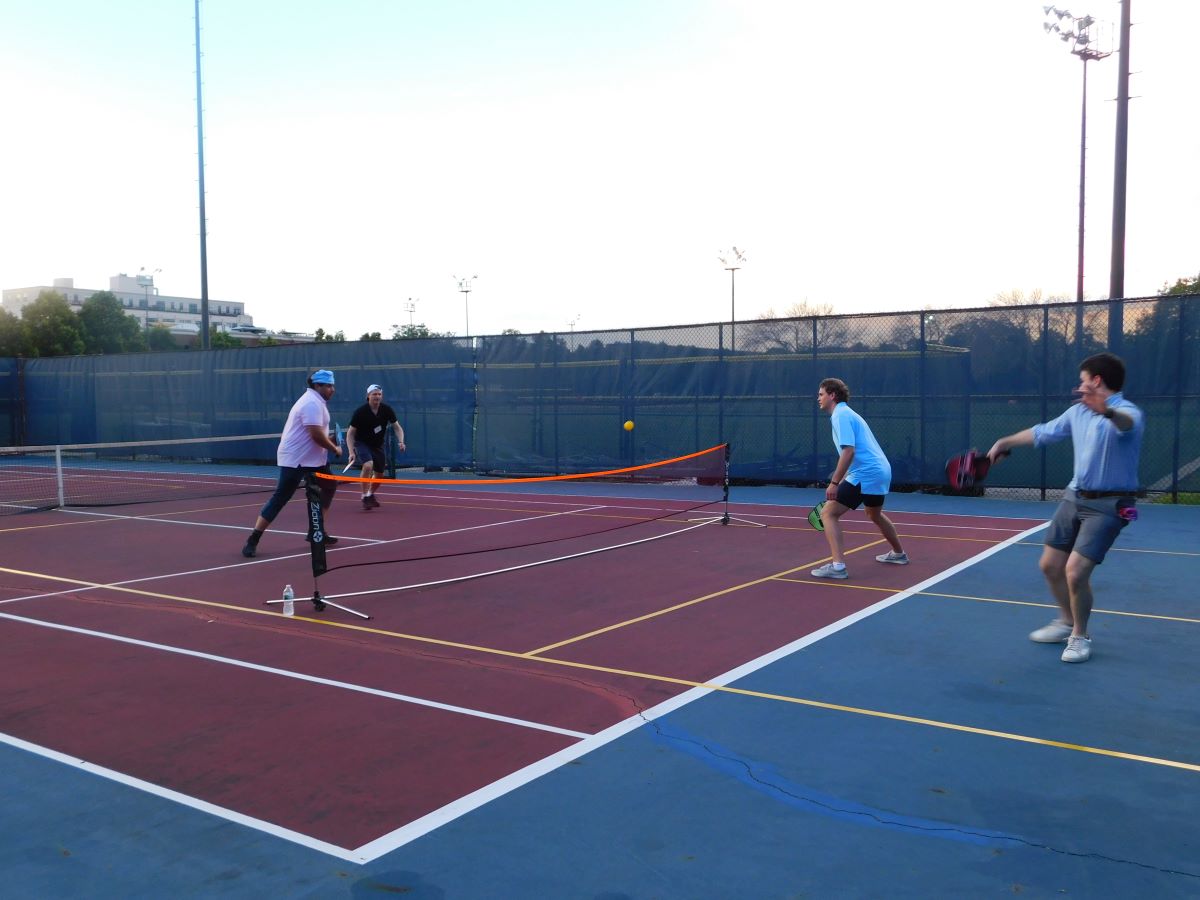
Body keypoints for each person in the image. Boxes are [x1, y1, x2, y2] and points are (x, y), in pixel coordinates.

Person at [987, 351, 1144, 664]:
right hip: (1074, 497)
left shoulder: (1128, 411)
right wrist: (1005, 442)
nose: (1080, 384)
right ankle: (1066, 621)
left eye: (1083, 379)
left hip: (1111, 504)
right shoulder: (1078, 413)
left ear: (1096, 381)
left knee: (1075, 572)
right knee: (1049, 565)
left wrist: (1107, 412)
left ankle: (1080, 636)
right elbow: (1043, 431)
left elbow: (1126, 425)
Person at [810, 378, 908, 580]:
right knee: (874, 514)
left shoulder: (841, 415)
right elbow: (853, 454)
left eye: (821, 394)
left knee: (828, 513)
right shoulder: (846, 413)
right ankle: (899, 554)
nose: (818, 398)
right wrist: (842, 480)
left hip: (868, 472)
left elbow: (849, 452)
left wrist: (834, 483)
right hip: (879, 470)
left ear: (832, 395)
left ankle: (838, 567)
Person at [241, 369, 342, 558]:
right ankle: (253, 539)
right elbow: (315, 435)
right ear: (317, 386)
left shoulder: (317, 402)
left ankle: (316, 531)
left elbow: (316, 435)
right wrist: (334, 448)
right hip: (295, 459)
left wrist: (332, 440)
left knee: (329, 486)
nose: (332, 389)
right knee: (281, 497)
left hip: (314, 459)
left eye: (332, 385)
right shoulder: (311, 403)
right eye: (328, 386)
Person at [346, 383, 406, 509]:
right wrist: (351, 452)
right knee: (368, 465)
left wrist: (401, 441)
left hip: (378, 445)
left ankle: (370, 494)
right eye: (374, 394)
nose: (377, 396)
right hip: (362, 443)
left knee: (379, 475)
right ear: (368, 396)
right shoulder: (360, 412)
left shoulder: (386, 410)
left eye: (379, 394)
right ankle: (364, 496)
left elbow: (397, 427)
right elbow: (350, 433)